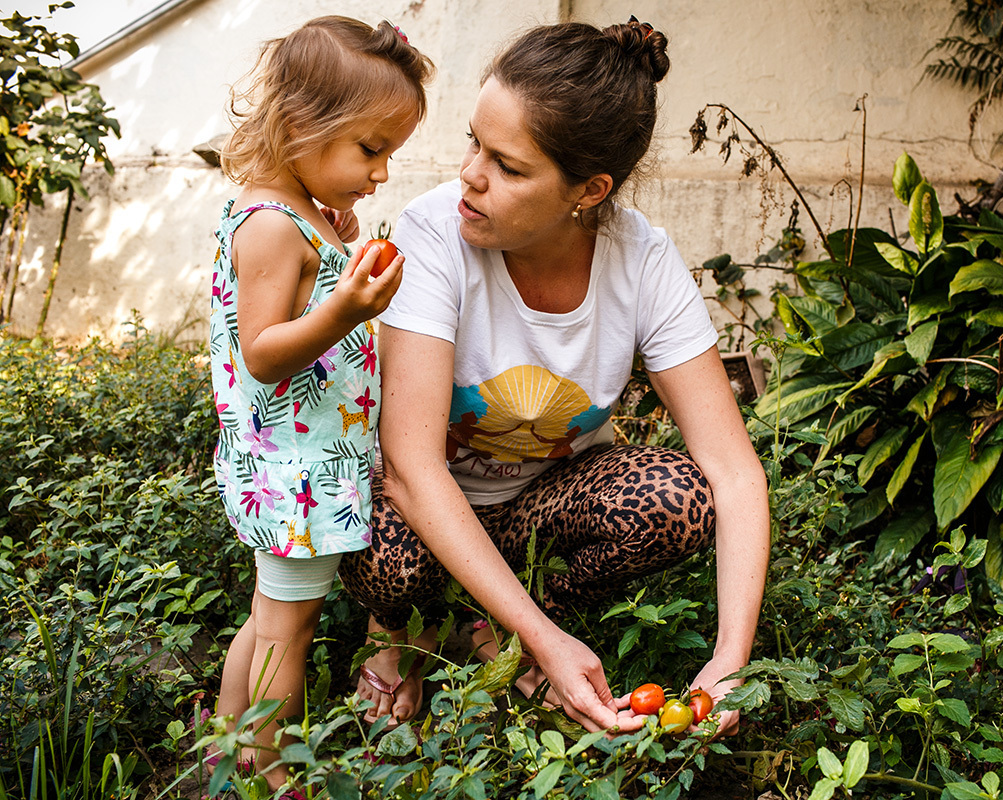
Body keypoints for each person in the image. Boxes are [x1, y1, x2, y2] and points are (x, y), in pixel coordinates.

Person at [339, 17, 769, 737]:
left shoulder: (643, 262)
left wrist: (731, 661)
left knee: (680, 498)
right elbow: (412, 469)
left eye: (509, 167)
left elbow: (733, 472)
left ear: (588, 190)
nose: (471, 176)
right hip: (422, 508)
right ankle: (412, 631)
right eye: (475, 143)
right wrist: (544, 640)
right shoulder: (431, 233)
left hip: (538, 508)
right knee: (386, 558)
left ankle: (503, 624)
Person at [207, 15, 433, 788]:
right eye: (371, 150)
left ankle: (226, 738)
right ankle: (269, 770)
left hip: (299, 465)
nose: (381, 172)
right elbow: (264, 353)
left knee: (271, 615)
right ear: (301, 126)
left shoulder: (291, 212)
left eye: (389, 154)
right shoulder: (274, 228)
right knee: (286, 631)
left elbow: (306, 276)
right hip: (295, 472)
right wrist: (345, 311)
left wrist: (338, 236)